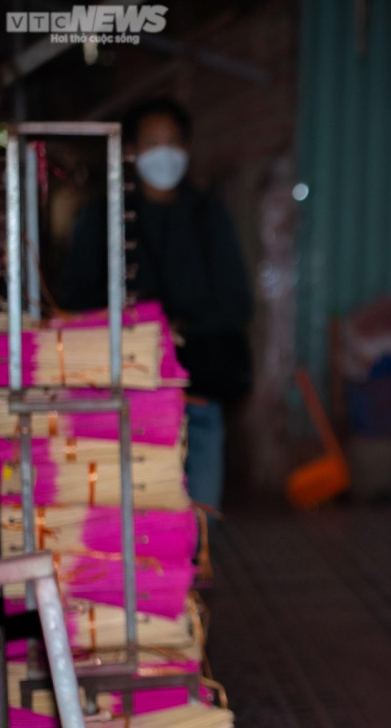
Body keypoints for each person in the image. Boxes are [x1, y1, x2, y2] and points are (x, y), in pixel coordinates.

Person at [59, 96, 253, 525]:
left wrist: (182, 325)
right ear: (129, 151)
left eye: (173, 142)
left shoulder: (209, 216)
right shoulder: (100, 219)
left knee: (198, 523)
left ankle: (195, 585)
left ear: (186, 148)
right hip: (127, 395)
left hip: (199, 389)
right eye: (152, 142)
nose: (164, 153)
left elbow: (238, 302)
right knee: (136, 524)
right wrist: (137, 325)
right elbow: (74, 300)